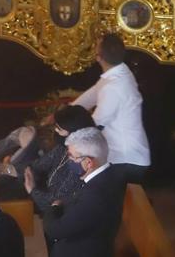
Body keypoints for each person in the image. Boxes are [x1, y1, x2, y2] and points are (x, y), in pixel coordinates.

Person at [71, 32, 150, 182]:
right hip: (125, 156)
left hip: (126, 158)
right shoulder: (119, 72)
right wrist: (65, 113)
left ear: (98, 57)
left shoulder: (114, 85)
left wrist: (69, 132)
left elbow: (95, 124)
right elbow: (91, 95)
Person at [42, 127, 125, 257]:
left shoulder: (95, 195)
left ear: (88, 162)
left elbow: (55, 230)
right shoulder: (109, 173)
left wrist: (53, 207)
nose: (69, 161)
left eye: (72, 158)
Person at [23, 105, 96, 212]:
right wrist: (9, 170)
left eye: (59, 128)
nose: (55, 130)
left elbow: (58, 201)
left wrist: (32, 190)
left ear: (73, 131)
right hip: (45, 196)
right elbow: (38, 165)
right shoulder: (63, 148)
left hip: (64, 212)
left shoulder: (82, 162)